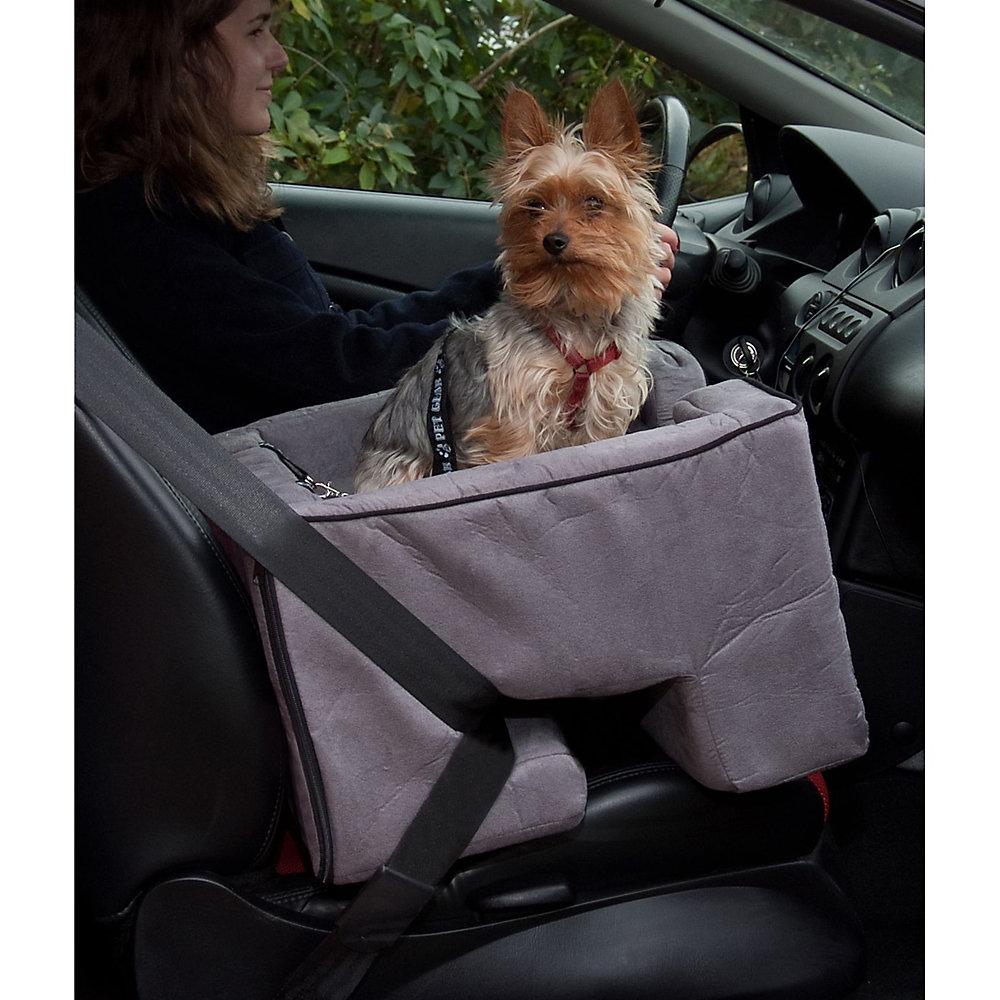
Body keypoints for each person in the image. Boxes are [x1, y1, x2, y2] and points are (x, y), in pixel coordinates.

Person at [75, 0, 678, 433]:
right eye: (257, 30)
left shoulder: (188, 203)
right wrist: (539, 324)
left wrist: (540, 279)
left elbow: (335, 338)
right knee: (684, 392)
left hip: (319, 445)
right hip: (308, 478)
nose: (280, 57)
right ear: (174, 57)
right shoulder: (141, 232)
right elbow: (332, 372)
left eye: (595, 207)